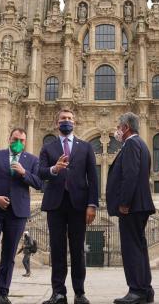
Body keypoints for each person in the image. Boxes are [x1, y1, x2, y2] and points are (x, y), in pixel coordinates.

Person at [0, 128, 43, 304]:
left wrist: (24, 173)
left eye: (21, 140)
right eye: (15, 139)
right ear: (9, 138)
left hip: (18, 213)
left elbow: (39, 183)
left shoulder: (32, 160)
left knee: (9, 254)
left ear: (25, 142)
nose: (18, 142)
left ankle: (2, 293)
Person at [38, 109, 99, 304]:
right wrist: (54, 169)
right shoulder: (48, 147)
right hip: (55, 203)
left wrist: (92, 204)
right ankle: (59, 292)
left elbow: (93, 177)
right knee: (57, 248)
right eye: (63, 119)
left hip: (78, 204)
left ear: (75, 122)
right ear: (57, 123)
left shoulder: (86, 147)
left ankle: (79, 292)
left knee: (77, 248)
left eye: (70, 118)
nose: (66, 121)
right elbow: (40, 172)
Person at [106, 112, 156, 304]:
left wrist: (124, 202)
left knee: (131, 248)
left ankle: (136, 290)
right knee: (139, 247)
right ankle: (145, 289)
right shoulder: (141, 144)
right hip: (139, 204)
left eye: (119, 127)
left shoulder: (132, 144)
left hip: (132, 206)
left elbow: (131, 174)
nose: (117, 131)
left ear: (126, 127)